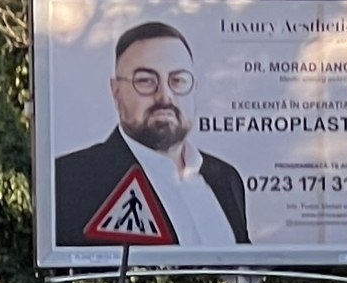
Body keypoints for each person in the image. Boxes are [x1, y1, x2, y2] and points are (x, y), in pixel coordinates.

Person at [53, 22, 249, 248]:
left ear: (195, 88)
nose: (165, 96)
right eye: (145, 80)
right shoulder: (69, 180)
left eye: (178, 80)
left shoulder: (225, 178)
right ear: (116, 91)